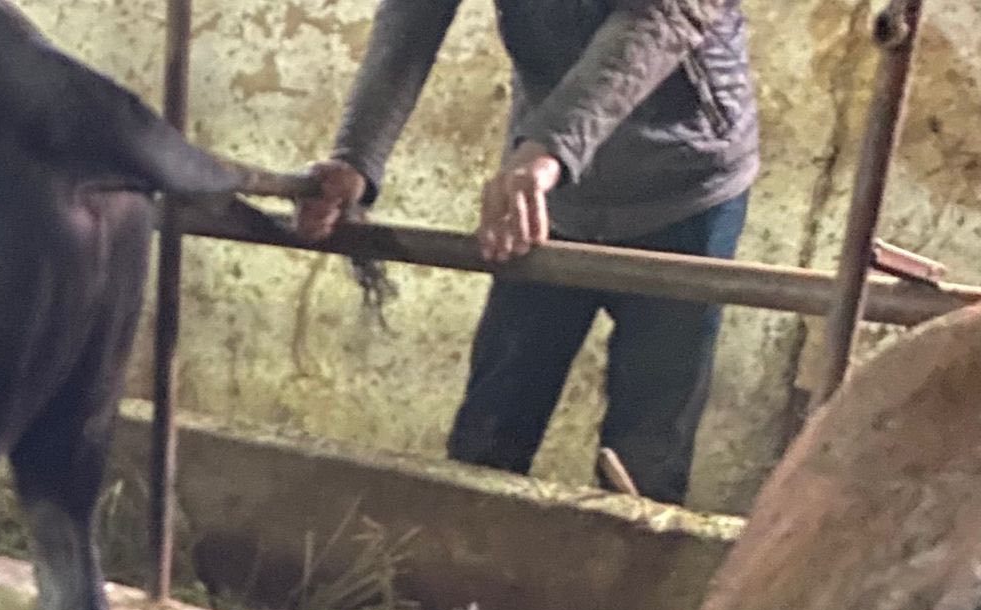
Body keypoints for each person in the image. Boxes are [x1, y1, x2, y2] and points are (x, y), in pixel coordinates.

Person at [298, 0, 759, 505]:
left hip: (681, 183)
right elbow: (413, 14)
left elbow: (662, 14)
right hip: (546, 191)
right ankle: (461, 570)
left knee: (647, 456)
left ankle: (628, 571)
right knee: (491, 428)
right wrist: (356, 159)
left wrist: (548, 149)